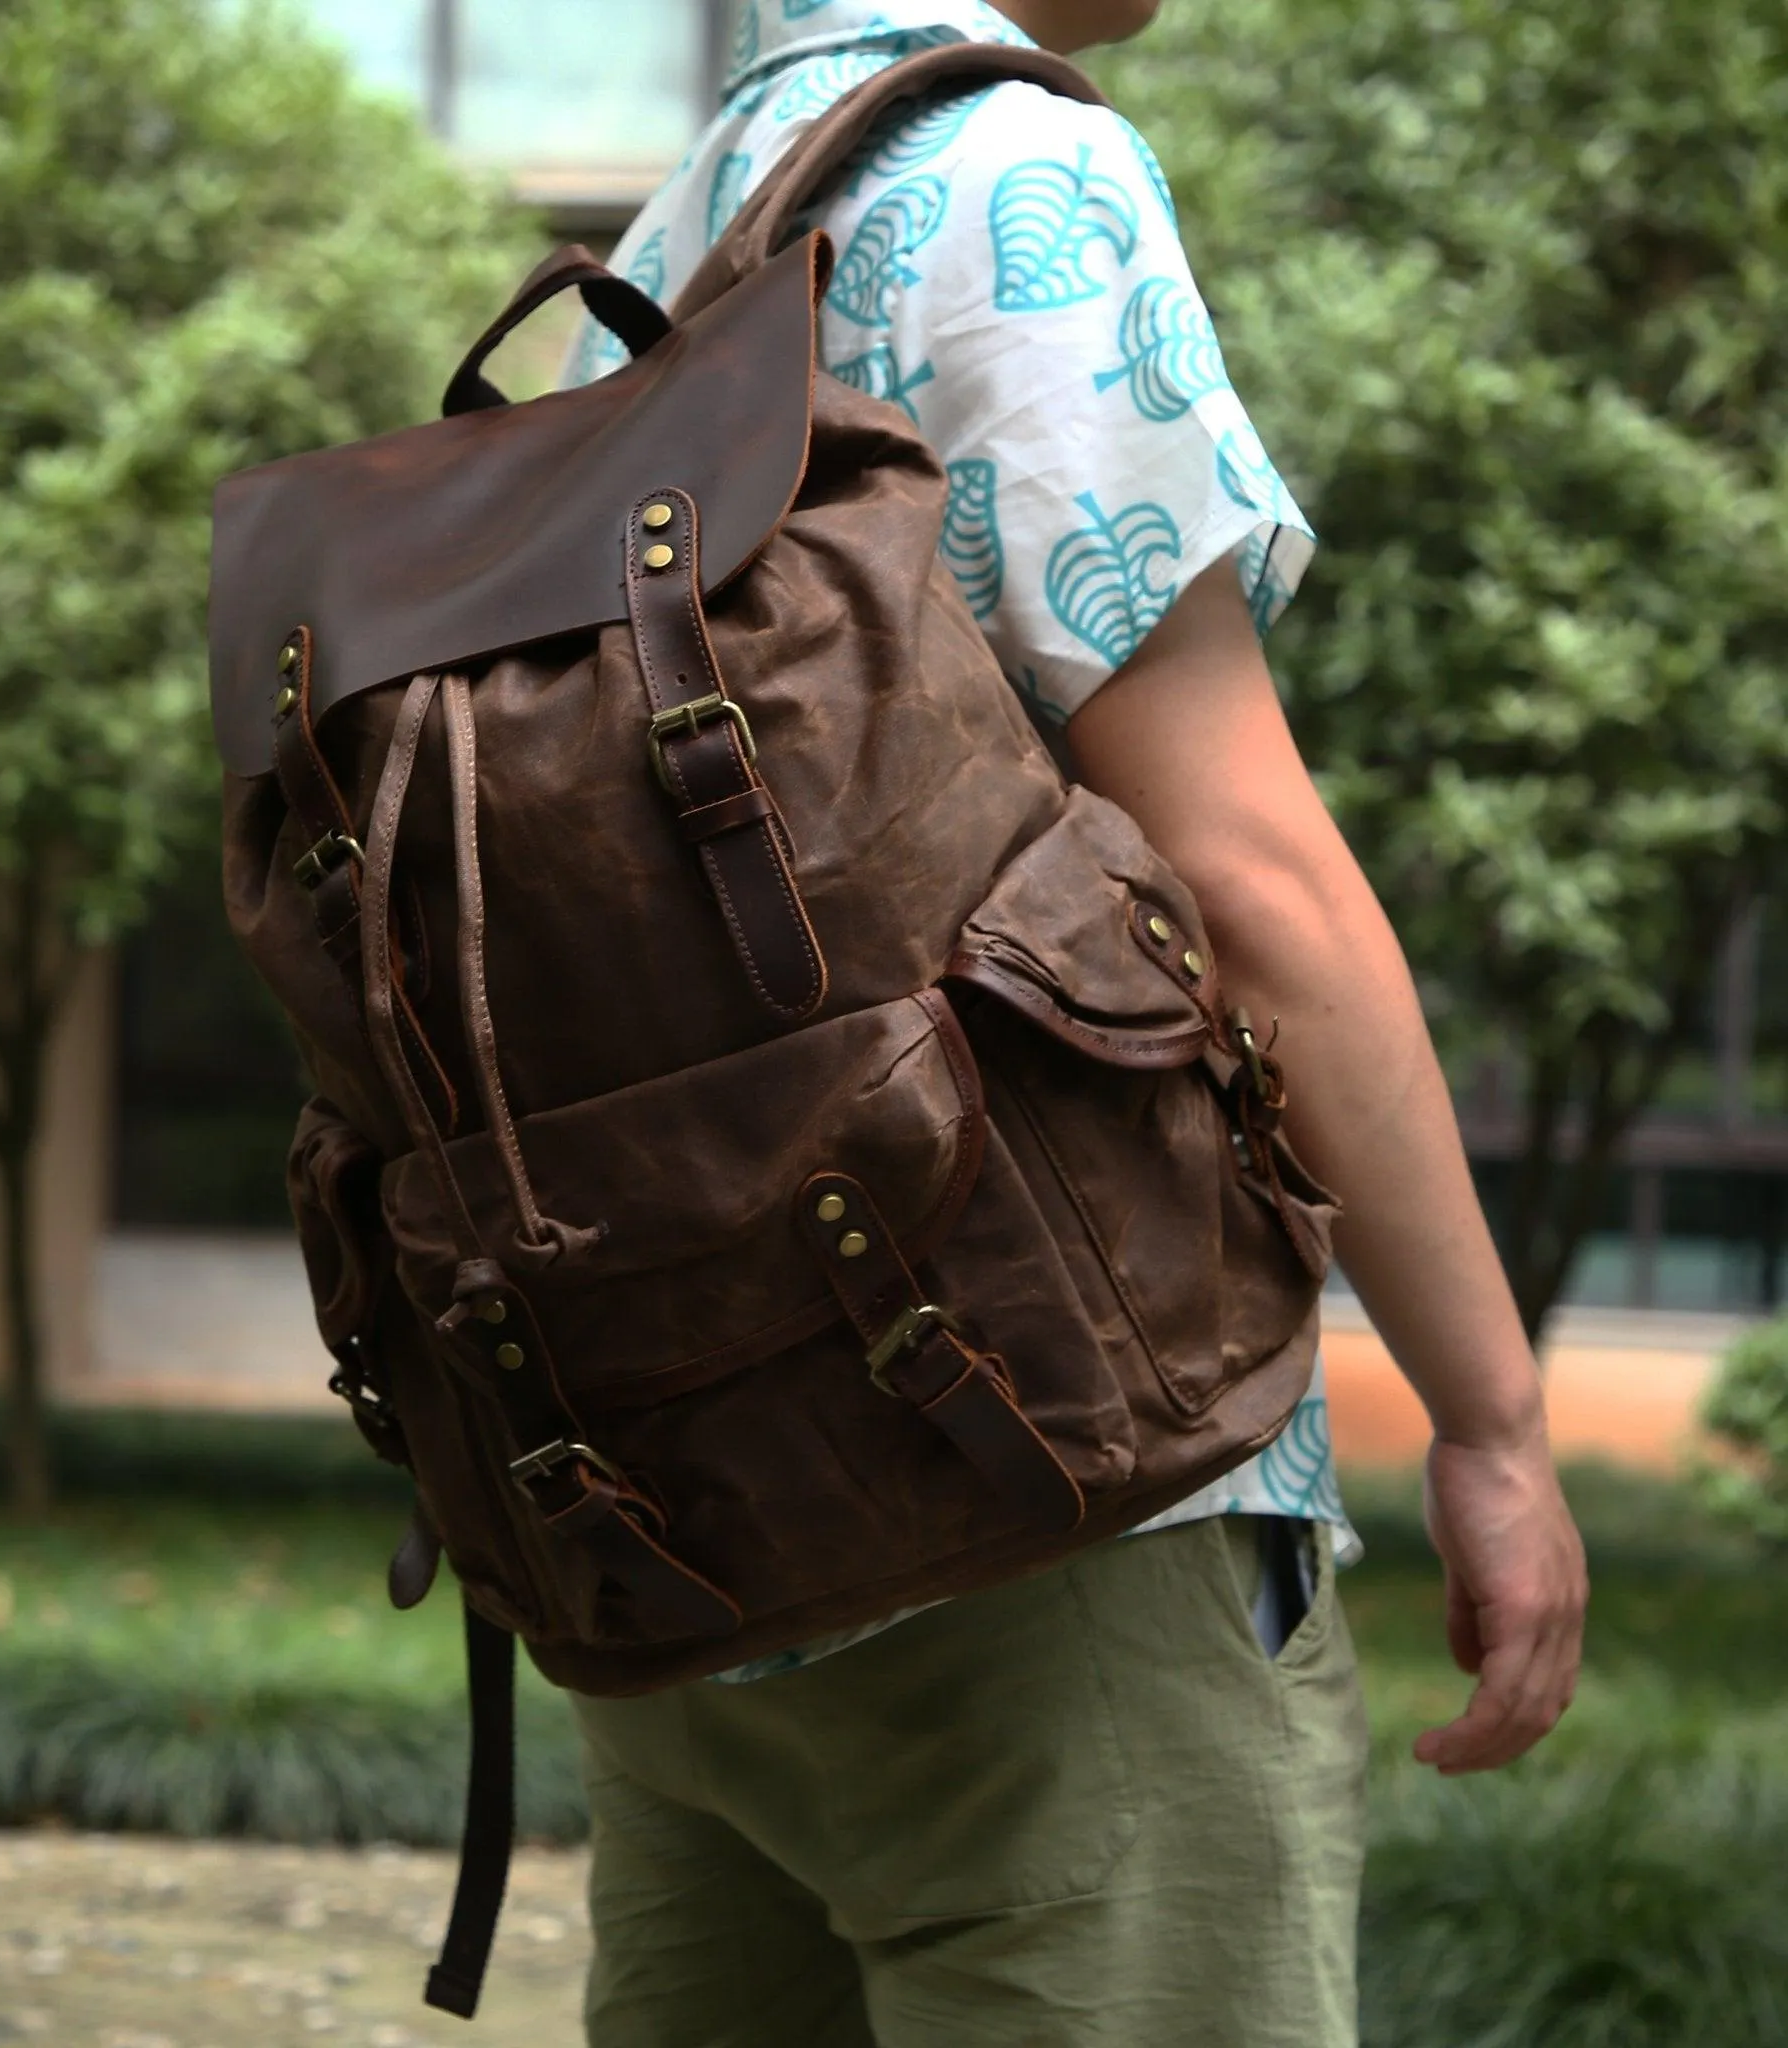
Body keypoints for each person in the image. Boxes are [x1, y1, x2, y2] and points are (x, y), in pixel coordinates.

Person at [559, 4, 1589, 2042]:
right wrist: (1491, 1418)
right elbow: (1249, 881)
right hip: (1062, 1494)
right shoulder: (1011, 172)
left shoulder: (675, 238)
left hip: (708, 1528)